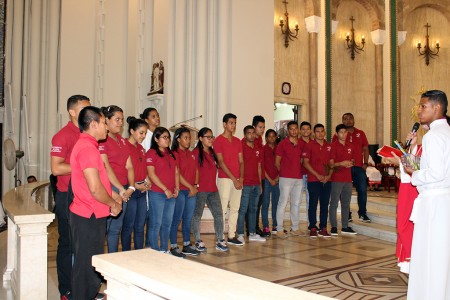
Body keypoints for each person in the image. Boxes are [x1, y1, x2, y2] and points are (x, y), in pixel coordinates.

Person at [69, 106, 122, 300]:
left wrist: (113, 194)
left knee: (87, 266)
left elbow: (99, 182)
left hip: (88, 213)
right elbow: (94, 188)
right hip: (88, 215)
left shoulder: (87, 145)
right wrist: (112, 204)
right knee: (86, 269)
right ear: (93, 124)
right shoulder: (87, 148)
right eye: (103, 122)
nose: (106, 127)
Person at [404, 90, 450, 300]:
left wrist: (414, 174)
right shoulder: (446, 132)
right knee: (441, 255)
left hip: (433, 203)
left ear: (437, 108)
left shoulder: (432, 136)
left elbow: (436, 173)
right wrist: (412, 157)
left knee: (429, 254)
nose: (419, 111)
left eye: (423, 106)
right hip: (444, 200)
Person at [50, 94, 90, 300]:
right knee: (67, 244)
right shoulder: (63, 136)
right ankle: (66, 290)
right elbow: (56, 168)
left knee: (83, 244)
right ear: (72, 112)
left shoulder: (87, 134)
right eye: (83, 109)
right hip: (67, 196)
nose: (87, 113)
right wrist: (82, 167)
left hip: (86, 196)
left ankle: (84, 288)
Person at [99, 105, 135, 253]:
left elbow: (129, 166)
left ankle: (112, 261)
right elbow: (105, 167)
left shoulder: (123, 141)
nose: (120, 123)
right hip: (109, 189)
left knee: (116, 229)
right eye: (117, 119)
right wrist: (120, 189)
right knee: (103, 229)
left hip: (123, 189)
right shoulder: (102, 140)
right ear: (106, 120)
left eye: (121, 119)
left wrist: (131, 187)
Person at [191, 128, 229, 252]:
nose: (211, 139)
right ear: (200, 138)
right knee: (197, 215)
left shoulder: (213, 153)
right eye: (208, 137)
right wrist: (195, 186)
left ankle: (220, 240)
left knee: (218, 214)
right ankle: (197, 240)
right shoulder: (195, 153)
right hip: (200, 189)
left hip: (213, 189)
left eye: (212, 137)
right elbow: (193, 171)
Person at [146, 127, 179, 252]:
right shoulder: (151, 153)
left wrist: (177, 188)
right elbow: (151, 174)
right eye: (164, 137)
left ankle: (164, 249)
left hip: (171, 194)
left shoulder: (172, 154)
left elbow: (176, 172)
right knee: (156, 223)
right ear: (156, 139)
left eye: (168, 137)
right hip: (157, 193)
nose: (167, 140)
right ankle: (154, 250)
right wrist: (165, 189)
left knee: (167, 223)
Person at [333, 113, 371, 223]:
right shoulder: (338, 135)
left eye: (350, 119)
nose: (348, 121)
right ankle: (347, 214)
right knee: (344, 192)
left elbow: (365, 149)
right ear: (342, 121)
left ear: (354, 120)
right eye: (345, 119)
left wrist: (366, 163)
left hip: (359, 167)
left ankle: (363, 213)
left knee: (362, 190)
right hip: (344, 168)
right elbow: (334, 150)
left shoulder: (361, 133)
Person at [214, 113, 244, 246]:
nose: (233, 125)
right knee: (222, 208)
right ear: (224, 124)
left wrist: (241, 178)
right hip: (225, 179)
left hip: (238, 179)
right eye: (231, 123)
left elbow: (241, 161)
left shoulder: (237, 141)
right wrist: (234, 179)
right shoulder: (218, 141)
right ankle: (220, 237)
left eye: (235, 123)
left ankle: (232, 235)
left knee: (235, 208)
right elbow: (220, 162)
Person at [169, 127, 200, 257]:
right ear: (178, 139)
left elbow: (196, 171)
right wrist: (190, 187)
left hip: (191, 190)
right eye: (185, 138)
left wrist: (195, 185)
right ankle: (174, 246)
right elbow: (178, 174)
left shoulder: (192, 153)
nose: (188, 140)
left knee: (188, 219)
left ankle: (186, 244)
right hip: (180, 190)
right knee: (176, 219)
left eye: (189, 138)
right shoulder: (174, 154)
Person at [121, 117, 150, 251]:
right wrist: (135, 186)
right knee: (128, 225)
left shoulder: (141, 148)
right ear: (132, 131)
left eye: (145, 133)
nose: (143, 136)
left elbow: (143, 168)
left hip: (141, 191)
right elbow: (125, 169)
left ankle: (139, 254)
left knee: (140, 226)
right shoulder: (124, 146)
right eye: (141, 133)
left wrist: (147, 181)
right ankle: (127, 254)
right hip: (130, 189)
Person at [275, 121, 306, 238]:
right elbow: (277, 162)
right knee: (282, 203)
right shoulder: (282, 144)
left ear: (298, 130)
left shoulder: (301, 144)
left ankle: (295, 228)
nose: (294, 131)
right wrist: (283, 173)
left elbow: (302, 160)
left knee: (296, 203)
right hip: (285, 178)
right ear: (288, 131)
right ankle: (279, 229)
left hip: (298, 178)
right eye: (291, 129)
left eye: (295, 129)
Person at [302, 124, 332, 238]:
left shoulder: (329, 146)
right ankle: (313, 227)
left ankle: (323, 227)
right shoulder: (309, 145)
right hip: (313, 180)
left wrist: (328, 176)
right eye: (317, 131)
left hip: (327, 181)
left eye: (322, 131)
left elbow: (332, 163)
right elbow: (305, 162)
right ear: (314, 133)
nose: (320, 133)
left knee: (325, 204)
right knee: (313, 204)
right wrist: (317, 175)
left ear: (324, 132)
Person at [237, 125, 265, 243]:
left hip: (255, 184)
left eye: (253, 133)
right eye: (249, 133)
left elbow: (259, 167)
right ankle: (239, 234)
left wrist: (260, 184)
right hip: (246, 184)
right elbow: (239, 164)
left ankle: (252, 233)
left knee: (254, 209)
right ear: (245, 134)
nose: (252, 135)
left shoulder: (258, 148)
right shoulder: (241, 146)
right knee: (243, 209)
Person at [329, 124, 357, 235]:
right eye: (341, 132)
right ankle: (334, 227)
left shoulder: (350, 146)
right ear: (336, 134)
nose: (344, 134)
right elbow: (330, 165)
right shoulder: (333, 146)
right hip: (336, 178)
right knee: (334, 203)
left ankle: (345, 226)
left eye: (345, 132)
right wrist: (341, 163)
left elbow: (353, 160)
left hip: (348, 179)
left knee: (346, 203)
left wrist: (351, 163)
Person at [262, 129, 280, 234]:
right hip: (266, 180)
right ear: (266, 138)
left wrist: (276, 179)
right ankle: (265, 226)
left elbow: (282, 165)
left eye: (273, 136)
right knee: (265, 203)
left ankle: (275, 225)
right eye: (269, 136)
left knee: (276, 203)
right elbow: (262, 167)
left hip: (277, 180)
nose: (272, 138)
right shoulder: (263, 149)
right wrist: (270, 179)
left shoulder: (279, 149)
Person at [252, 115, 267, 237]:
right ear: (254, 127)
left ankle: (255, 226)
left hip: (261, 177)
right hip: (254, 179)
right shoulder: (251, 142)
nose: (262, 130)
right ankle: (253, 228)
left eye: (263, 127)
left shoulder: (261, 141)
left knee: (258, 204)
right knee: (253, 205)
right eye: (260, 127)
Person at [300, 121, 312, 225]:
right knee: (297, 200)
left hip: (311, 175)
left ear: (311, 131)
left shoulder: (314, 143)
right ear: (300, 131)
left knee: (310, 199)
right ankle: (295, 225)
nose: (305, 131)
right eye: (303, 129)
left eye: (307, 129)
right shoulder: (297, 142)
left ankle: (310, 223)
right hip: (299, 175)